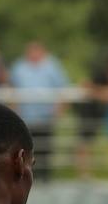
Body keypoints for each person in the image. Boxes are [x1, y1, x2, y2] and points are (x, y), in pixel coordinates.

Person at [10, 40, 70, 181]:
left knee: (45, 149)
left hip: (46, 117)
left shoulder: (52, 66)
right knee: (25, 149)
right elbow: (11, 90)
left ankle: (44, 178)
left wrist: (59, 110)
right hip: (25, 118)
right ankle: (26, 178)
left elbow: (64, 89)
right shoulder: (19, 67)